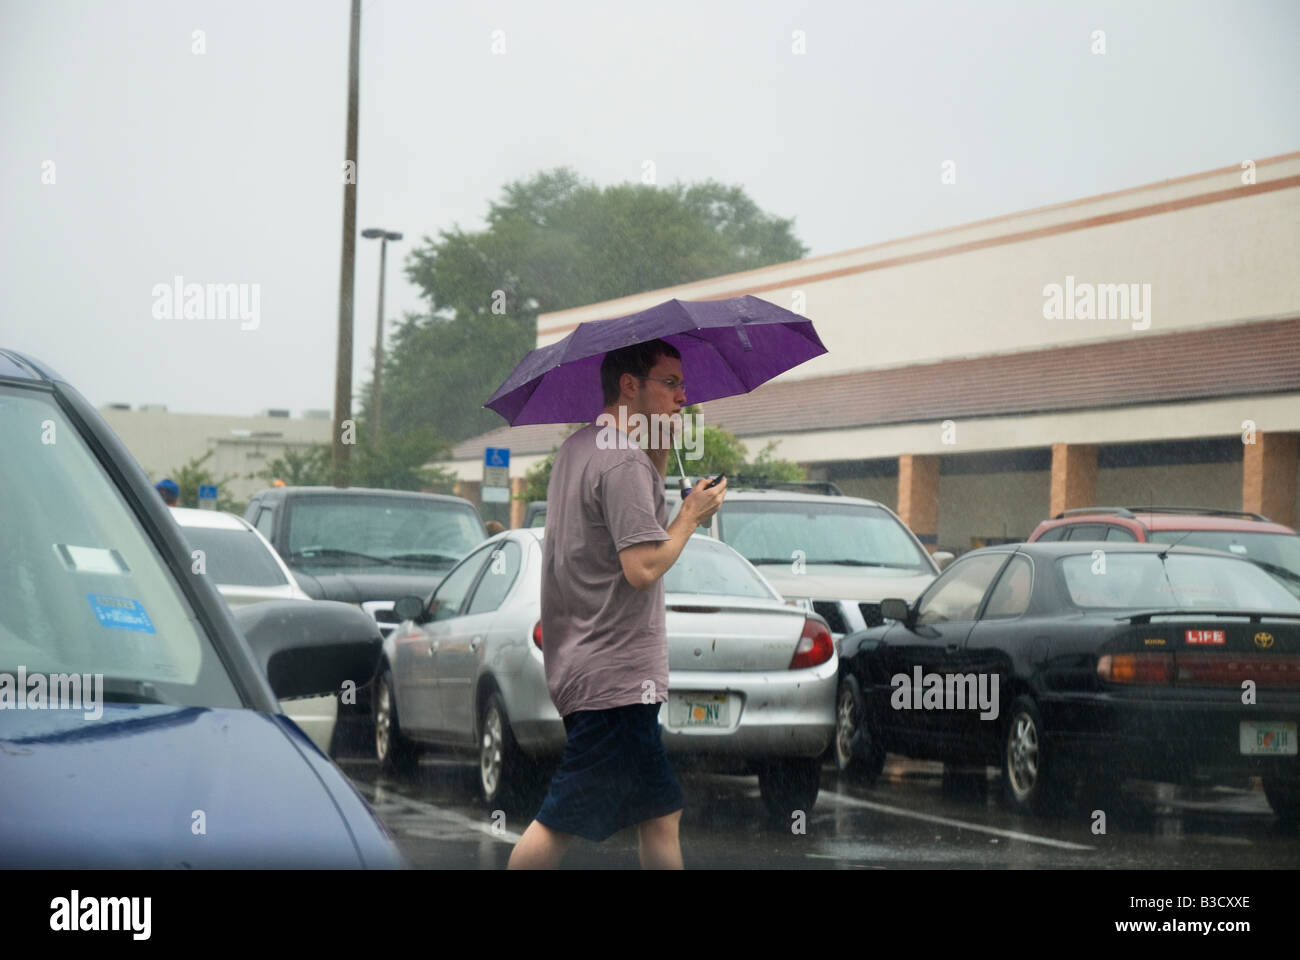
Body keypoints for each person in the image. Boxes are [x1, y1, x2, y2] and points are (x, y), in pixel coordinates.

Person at [507, 338, 726, 870]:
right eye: (670, 383)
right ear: (631, 385)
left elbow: (619, 529)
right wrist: (691, 516)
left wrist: (656, 444)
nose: (683, 396)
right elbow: (643, 567)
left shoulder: (584, 447)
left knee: (660, 814)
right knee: (560, 822)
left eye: (682, 385)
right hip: (615, 679)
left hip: (591, 665)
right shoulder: (622, 463)